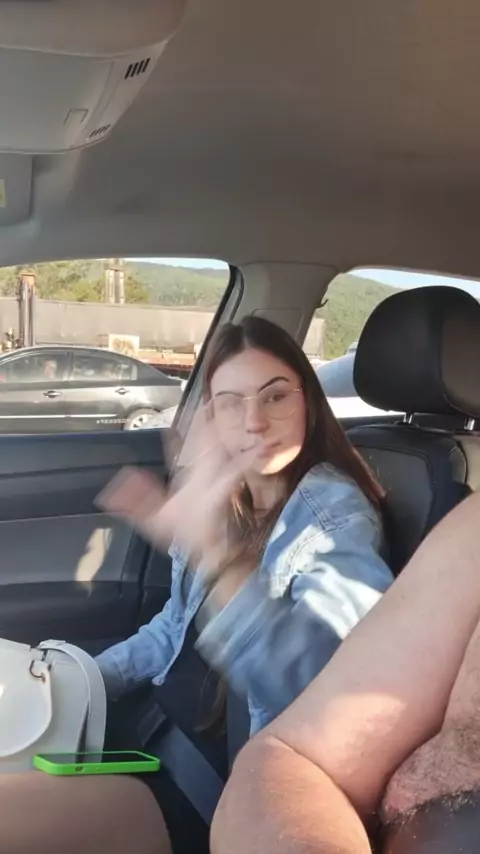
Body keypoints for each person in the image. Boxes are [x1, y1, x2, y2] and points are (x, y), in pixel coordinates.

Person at [0, 316, 392, 854]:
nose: (253, 422)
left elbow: (329, 698)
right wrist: (77, 680)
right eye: (230, 403)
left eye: (275, 396)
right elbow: (172, 630)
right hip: (153, 732)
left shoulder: (333, 513)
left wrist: (216, 555)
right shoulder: (231, 497)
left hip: (217, 791)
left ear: (308, 400)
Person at [211, 486, 480, 854]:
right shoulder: (229, 513)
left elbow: (305, 670)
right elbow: (297, 755)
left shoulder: (331, 507)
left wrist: (219, 564)